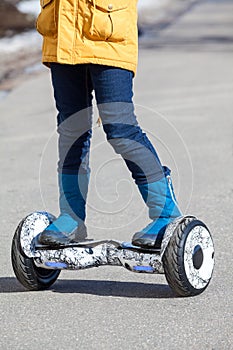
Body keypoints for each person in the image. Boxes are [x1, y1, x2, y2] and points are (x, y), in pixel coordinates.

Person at [36, 0, 182, 249]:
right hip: (62, 34)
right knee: (71, 130)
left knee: (120, 128)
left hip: (108, 35)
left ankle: (166, 213)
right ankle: (71, 218)